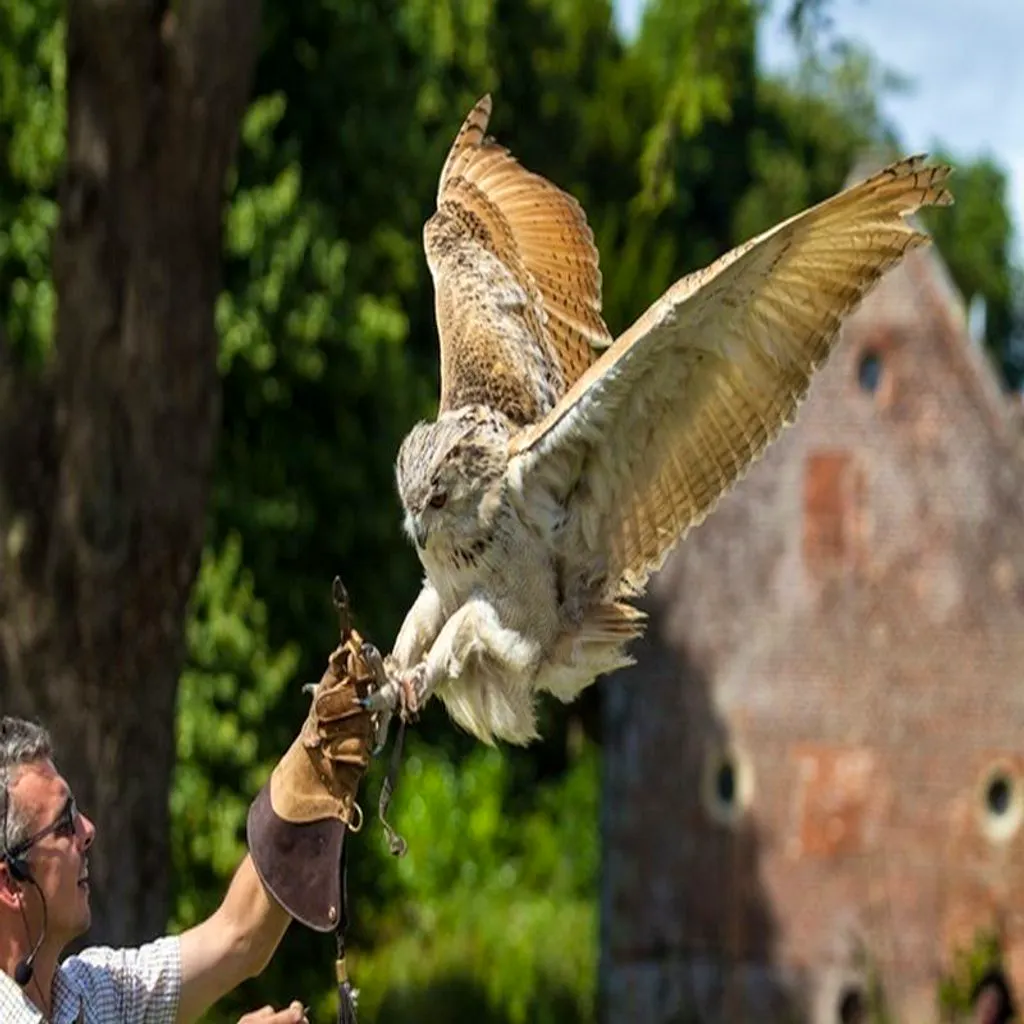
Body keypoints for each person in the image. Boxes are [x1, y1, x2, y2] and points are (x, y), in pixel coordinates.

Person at [0, 629, 376, 1024]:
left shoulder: (96, 992)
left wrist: (317, 766)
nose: (88, 829)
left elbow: (237, 936)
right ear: (10, 882)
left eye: (77, 811)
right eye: (64, 824)